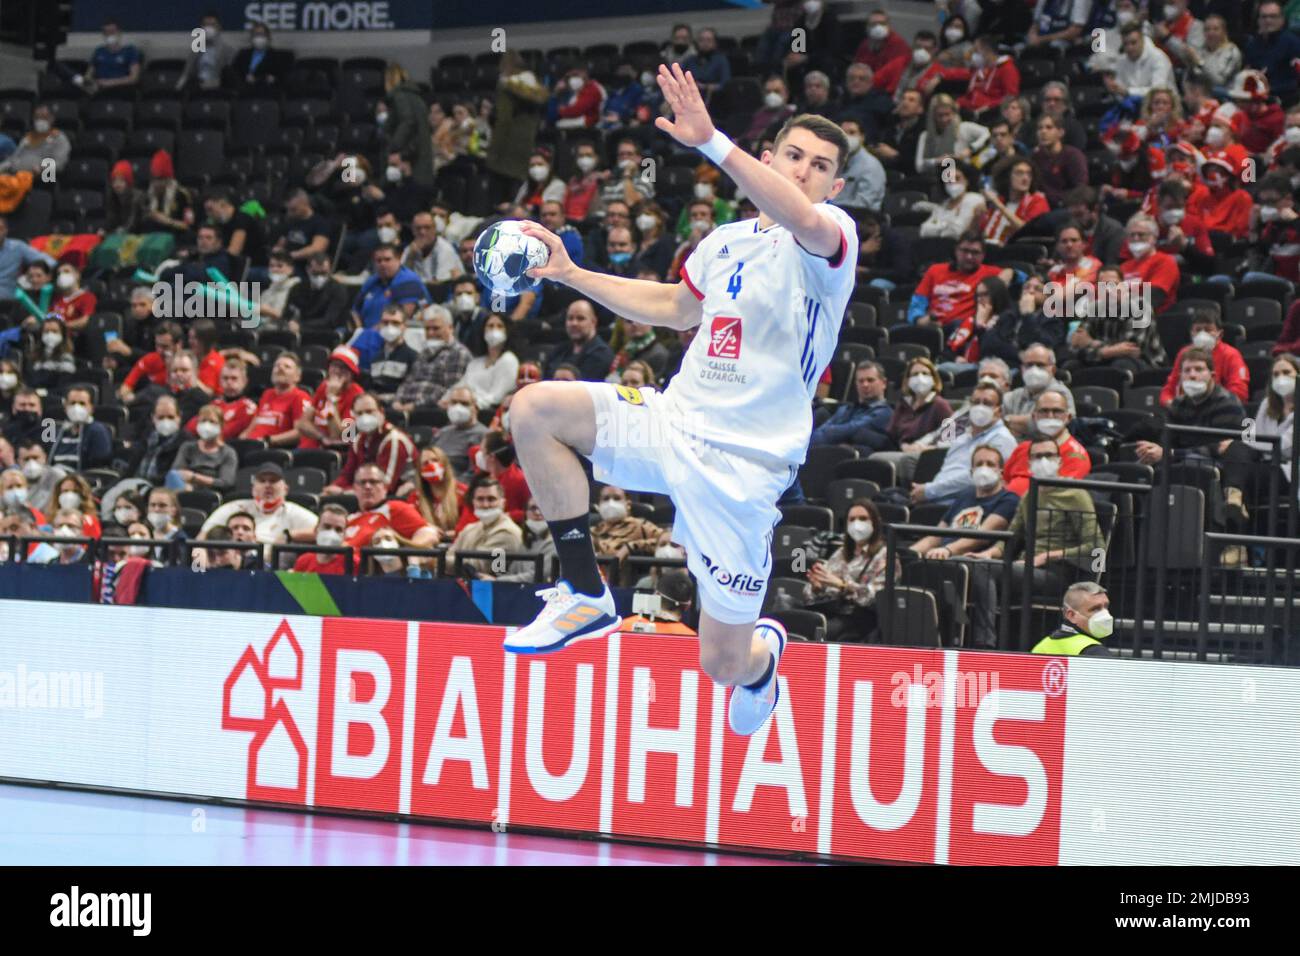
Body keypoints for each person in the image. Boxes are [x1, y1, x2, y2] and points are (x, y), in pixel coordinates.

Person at [507, 67, 859, 737]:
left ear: (834, 186)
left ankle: (761, 664)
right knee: (535, 410)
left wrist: (709, 142)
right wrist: (570, 274)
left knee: (721, 662)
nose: (805, 172)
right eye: (793, 156)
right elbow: (673, 308)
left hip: (744, 470)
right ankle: (583, 592)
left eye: (820, 166)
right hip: (673, 421)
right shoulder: (725, 241)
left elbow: (801, 216)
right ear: (769, 157)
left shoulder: (829, 241)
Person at [965, 439, 1106, 649]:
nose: (1044, 461)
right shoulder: (1029, 496)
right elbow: (1011, 537)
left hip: (1058, 573)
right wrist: (990, 553)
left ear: (1059, 461)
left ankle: (985, 643)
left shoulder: (1076, 495)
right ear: (1029, 463)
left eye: (1049, 456)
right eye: (1038, 457)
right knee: (972, 565)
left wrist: (1048, 556)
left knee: (985, 570)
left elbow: (1095, 546)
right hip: (1027, 569)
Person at [908, 382, 1018, 508]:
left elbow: (975, 479)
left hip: (964, 504)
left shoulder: (1002, 439)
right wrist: (924, 492)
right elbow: (945, 472)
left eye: (987, 403)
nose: (980, 407)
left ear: (998, 411)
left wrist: (929, 491)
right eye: (976, 402)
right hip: (935, 498)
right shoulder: (962, 437)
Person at [803, 498, 892, 642]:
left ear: (875, 522)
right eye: (852, 519)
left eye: (863, 519)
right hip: (831, 612)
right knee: (793, 616)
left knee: (820, 630)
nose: (857, 524)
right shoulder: (840, 553)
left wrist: (843, 585)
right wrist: (817, 588)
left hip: (859, 620)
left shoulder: (886, 556)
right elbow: (808, 593)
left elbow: (876, 598)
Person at [910, 445, 1021, 558]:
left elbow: (981, 536)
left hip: (970, 559)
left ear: (1001, 473)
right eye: (979, 464)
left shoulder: (1008, 499)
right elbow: (936, 536)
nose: (984, 468)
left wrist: (947, 550)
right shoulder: (965, 495)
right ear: (971, 472)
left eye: (990, 464)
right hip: (941, 555)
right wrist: (910, 553)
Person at [199, 462, 318, 553]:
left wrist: (290, 535)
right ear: (253, 489)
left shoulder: (293, 512)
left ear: (285, 489)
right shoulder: (234, 507)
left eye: (273, 481)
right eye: (262, 481)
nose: (267, 485)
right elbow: (201, 538)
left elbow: (324, 532)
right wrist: (198, 568)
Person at [325, 392, 416, 497]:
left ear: (381, 412)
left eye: (369, 412)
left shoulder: (394, 440)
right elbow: (347, 474)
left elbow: (385, 485)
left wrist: (343, 492)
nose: (364, 417)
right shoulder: (358, 440)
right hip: (367, 493)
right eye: (359, 413)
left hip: (397, 497)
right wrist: (334, 488)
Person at [1004, 389, 1092, 495]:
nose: (1050, 416)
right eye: (1044, 411)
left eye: (1057, 411)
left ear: (1068, 417)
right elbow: (1004, 480)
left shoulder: (1076, 456)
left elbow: (1063, 495)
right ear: (1034, 417)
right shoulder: (1022, 448)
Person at [1159, 307, 1249, 405]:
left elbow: (1239, 391)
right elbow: (1169, 389)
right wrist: (1171, 404)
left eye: (1208, 329)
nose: (1202, 334)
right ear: (1191, 333)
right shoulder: (1184, 353)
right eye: (1198, 330)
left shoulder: (1231, 355)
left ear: (1220, 333)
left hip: (1218, 408)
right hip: (1186, 410)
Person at [392, 305, 472, 414]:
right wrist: (397, 401)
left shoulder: (459, 353)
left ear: (450, 328)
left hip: (429, 411)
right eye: (427, 329)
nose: (430, 333)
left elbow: (450, 390)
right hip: (404, 407)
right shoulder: (424, 352)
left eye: (436, 328)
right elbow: (408, 381)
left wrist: (415, 406)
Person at [811, 361, 892, 449]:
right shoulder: (845, 409)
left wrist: (829, 432)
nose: (865, 384)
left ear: (884, 383)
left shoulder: (885, 412)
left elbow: (853, 430)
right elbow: (817, 435)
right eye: (861, 381)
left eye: (870, 380)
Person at [297, 346, 364, 451]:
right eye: (334, 365)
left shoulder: (358, 395)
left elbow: (340, 436)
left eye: (343, 367)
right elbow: (301, 424)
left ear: (352, 372)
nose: (336, 371)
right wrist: (322, 437)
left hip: (333, 453)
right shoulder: (324, 386)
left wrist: (332, 398)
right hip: (307, 448)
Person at [1004, 343, 1078, 437]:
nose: (1034, 369)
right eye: (1029, 365)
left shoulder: (1061, 394)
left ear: (1053, 369)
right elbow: (997, 422)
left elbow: (1052, 426)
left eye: (1040, 365)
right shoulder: (1013, 395)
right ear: (1022, 369)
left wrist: (1009, 420)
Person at [350, 304, 419, 400]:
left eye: (395, 323)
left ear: (404, 326)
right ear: (379, 325)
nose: (389, 327)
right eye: (385, 323)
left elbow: (411, 391)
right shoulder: (375, 358)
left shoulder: (413, 357)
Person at [168, 404, 237, 494]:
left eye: (212, 422)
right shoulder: (188, 447)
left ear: (222, 425)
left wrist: (194, 477)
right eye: (203, 421)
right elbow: (175, 473)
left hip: (211, 496)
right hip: (184, 492)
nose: (207, 426)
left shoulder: (228, 453)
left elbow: (226, 483)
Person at [1031, 581, 1116, 655]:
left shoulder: (1040, 648)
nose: (1105, 614)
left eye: (1106, 606)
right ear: (1071, 615)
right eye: (1095, 609)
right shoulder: (1094, 652)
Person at [543, 299, 615, 381]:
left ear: (593, 322)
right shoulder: (558, 351)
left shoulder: (602, 354)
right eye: (570, 318)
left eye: (580, 318)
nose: (574, 323)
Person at [47, 386, 112, 473]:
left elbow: (99, 464)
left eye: (82, 403)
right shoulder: (57, 431)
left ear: (91, 408)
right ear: (65, 407)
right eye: (72, 403)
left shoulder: (97, 430)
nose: (76, 407)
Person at [433, 386, 487, 475]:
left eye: (464, 403)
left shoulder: (483, 436)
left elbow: (474, 475)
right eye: (453, 402)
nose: (457, 407)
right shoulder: (442, 432)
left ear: (475, 407)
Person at [177, 12, 234, 92]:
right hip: (197, 88)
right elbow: (187, 72)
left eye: (212, 25)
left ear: (219, 27)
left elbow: (229, 76)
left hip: (219, 89)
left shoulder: (227, 50)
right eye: (205, 25)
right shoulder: (196, 49)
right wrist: (178, 88)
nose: (208, 28)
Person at [293, 504, 351, 575]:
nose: (332, 533)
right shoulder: (303, 561)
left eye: (338, 529)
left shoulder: (352, 564)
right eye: (327, 527)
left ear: (345, 535)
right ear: (316, 530)